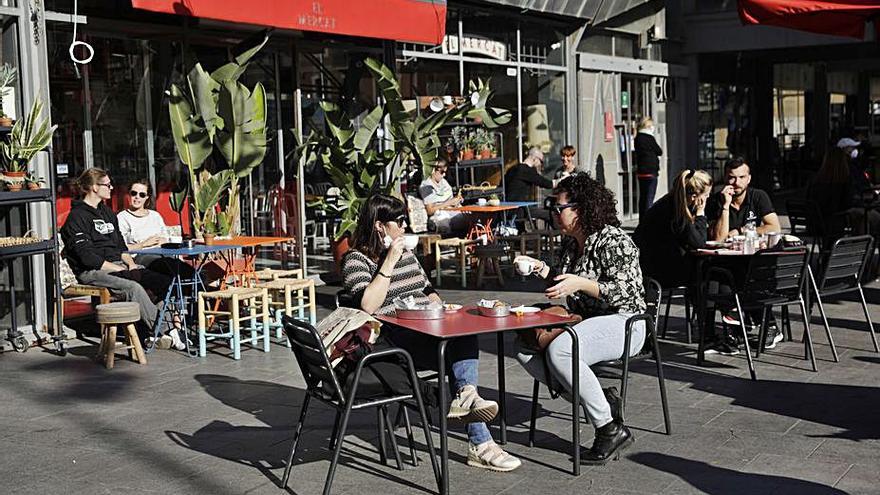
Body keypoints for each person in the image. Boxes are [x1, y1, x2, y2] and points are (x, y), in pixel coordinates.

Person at [341, 194, 521, 472]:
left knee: (463, 332)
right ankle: (480, 442)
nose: (404, 227)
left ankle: (467, 397)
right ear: (380, 226)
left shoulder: (409, 254)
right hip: (394, 340)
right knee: (456, 344)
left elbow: (426, 289)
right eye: (399, 221)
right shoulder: (356, 259)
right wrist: (389, 260)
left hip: (428, 327)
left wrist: (441, 308)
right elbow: (368, 305)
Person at [513, 174, 646, 465]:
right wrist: (540, 269)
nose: (554, 213)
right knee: (523, 345)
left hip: (625, 321)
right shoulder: (572, 244)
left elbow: (630, 291)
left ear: (582, 208)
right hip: (585, 320)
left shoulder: (613, 239)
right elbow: (564, 283)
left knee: (562, 350)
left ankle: (609, 428)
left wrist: (582, 284)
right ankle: (600, 400)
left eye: (559, 207)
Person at [60, 168, 185, 350]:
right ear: (95, 187)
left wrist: (132, 265)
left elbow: (121, 248)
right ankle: (168, 329)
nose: (111, 187)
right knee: (133, 287)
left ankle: (154, 332)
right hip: (93, 271)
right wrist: (121, 270)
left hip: (118, 265)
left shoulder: (108, 214)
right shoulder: (76, 217)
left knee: (166, 282)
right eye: (108, 184)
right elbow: (87, 257)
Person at [634, 169, 713, 289]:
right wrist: (700, 214)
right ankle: (708, 306)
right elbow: (698, 243)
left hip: (648, 267)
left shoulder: (668, 203)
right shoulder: (677, 212)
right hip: (659, 272)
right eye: (706, 195)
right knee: (710, 269)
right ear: (694, 197)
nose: (707, 198)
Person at [808, 147, 880, 237]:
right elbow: (848, 202)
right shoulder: (843, 180)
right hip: (836, 219)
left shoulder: (815, 181)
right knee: (869, 216)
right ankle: (862, 242)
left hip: (817, 222)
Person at [707, 157, 782, 242]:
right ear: (725, 178)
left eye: (742, 177)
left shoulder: (758, 196)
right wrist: (725, 206)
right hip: (725, 253)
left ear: (749, 179)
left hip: (752, 251)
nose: (737, 182)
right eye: (732, 177)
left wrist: (740, 231)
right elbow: (718, 239)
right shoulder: (714, 201)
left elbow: (775, 228)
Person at [505, 146, 554, 227]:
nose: (541, 165)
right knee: (550, 214)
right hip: (520, 210)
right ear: (535, 159)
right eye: (541, 161)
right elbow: (547, 184)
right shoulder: (527, 171)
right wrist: (560, 180)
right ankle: (553, 236)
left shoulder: (512, 169)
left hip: (509, 209)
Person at [418, 159, 468, 235]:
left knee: (470, 218)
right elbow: (430, 210)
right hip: (438, 215)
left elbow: (450, 199)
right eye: (442, 172)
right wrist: (448, 203)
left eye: (445, 172)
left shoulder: (443, 182)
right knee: (443, 219)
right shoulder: (426, 186)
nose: (444, 175)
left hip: (451, 210)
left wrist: (456, 201)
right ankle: (446, 244)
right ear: (433, 170)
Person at [635, 117, 663, 216]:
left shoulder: (638, 138)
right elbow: (659, 151)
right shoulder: (649, 138)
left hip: (641, 172)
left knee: (643, 198)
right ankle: (647, 221)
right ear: (648, 126)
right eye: (651, 125)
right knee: (649, 198)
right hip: (651, 172)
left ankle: (642, 221)